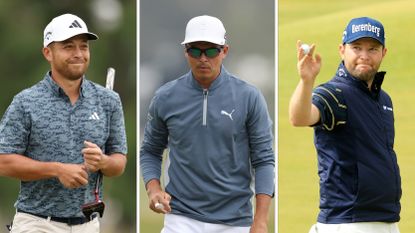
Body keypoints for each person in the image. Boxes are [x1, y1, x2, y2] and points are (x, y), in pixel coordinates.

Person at [140, 15, 275, 233]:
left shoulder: (249, 97)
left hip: (235, 221)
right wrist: (153, 189)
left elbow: (264, 160)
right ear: (185, 52)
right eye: (195, 50)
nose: (203, 58)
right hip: (180, 218)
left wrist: (260, 220)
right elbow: (150, 150)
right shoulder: (165, 97)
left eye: (211, 51)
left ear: (224, 51)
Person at [0, 13, 127, 233]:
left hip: (88, 224)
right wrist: (57, 170)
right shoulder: (25, 101)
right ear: (48, 52)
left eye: (83, 47)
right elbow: (3, 161)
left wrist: (102, 162)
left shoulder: (108, 100)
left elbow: (119, 162)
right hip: (38, 223)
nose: (78, 54)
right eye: (68, 47)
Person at [289, 17, 401, 233]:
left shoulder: (383, 100)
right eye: (356, 48)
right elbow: (300, 117)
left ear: (383, 53)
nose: (364, 56)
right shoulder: (334, 93)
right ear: (342, 50)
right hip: (347, 223)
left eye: (372, 49)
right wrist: (306, 82)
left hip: (386, 220)